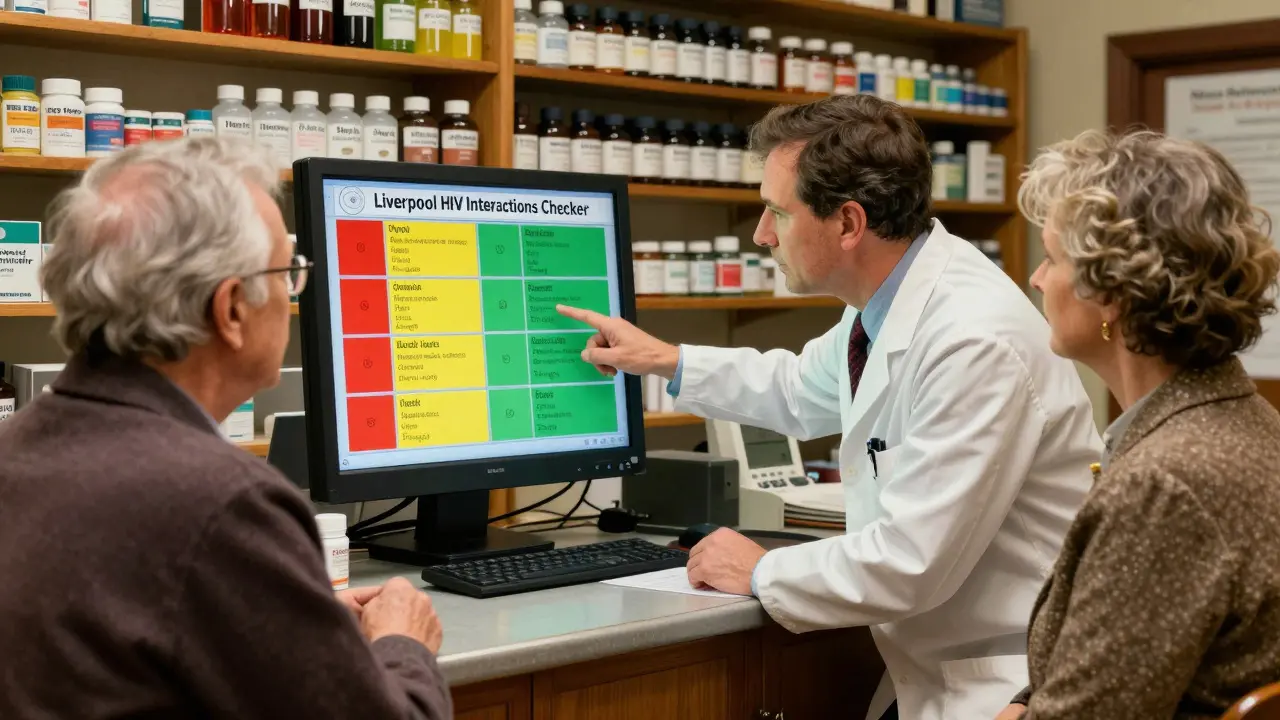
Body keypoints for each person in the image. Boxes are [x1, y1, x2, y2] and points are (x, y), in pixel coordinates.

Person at [556, 94, 1102, 720]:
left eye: (775, 213)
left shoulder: (972, 339)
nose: (761, 235)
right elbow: (799, 389)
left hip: (1001, 685)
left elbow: (909, 564)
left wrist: (762, 569)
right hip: (934, 665)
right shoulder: (888, 300)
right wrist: (664, 360)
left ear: (847, 224)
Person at [0, 138, 453, 719]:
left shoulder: (18, 448)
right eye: (287, 271)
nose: (294, 290)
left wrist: (289, 621)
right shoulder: (223, 502)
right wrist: (404, 643)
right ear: (232, 309)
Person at [995, 130, 1280, 719]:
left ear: (1112, 294)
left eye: (1052, 258)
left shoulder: (1167, 485)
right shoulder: (1242, 422)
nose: (1037, 279)